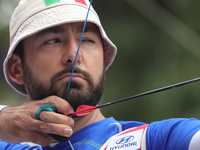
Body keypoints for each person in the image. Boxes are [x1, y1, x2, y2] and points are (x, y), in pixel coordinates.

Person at [0, 0, 200, 149]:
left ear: (104, 59)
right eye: (53, 40)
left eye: (87, 40)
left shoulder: (155, 141)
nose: (73, 54)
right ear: (17, 69)